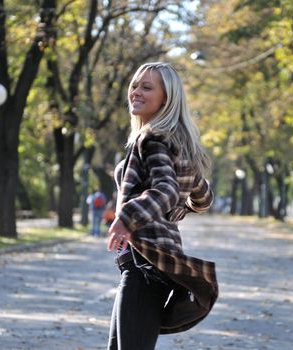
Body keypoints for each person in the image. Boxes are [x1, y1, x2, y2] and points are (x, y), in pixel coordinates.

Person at [106, 62, 218, 350]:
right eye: (134, 85)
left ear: (166, 98)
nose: (136, 92)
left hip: (147, 261)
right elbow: (203, 198)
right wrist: (177, 209)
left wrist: (127, 218)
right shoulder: (179, 144)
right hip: (154, 260)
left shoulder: (152, 139)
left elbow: (166, 190)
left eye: (147, 87)